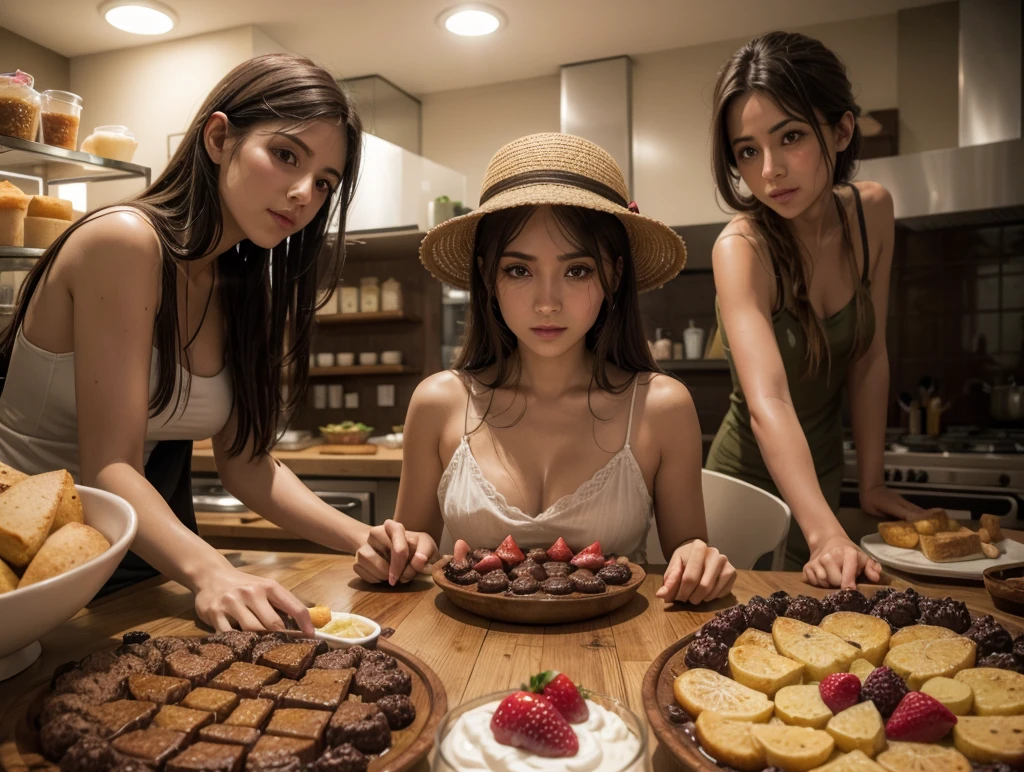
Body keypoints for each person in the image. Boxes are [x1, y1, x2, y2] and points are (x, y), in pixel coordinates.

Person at [0, 54, 436, 632]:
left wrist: (367, 539)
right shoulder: (124, 242)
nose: (305, 193)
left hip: (117, 559)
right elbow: (109, 465)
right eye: (286, 156)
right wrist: (212, 572)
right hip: (18, 564)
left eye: (324, 182)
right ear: (218, 137)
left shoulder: (238, 283)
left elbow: (247, 465)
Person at [386, 133, 736, 605]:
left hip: (616, 656)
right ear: (488, 275)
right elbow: (407, 553)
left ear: (613, 276)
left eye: (577, 271)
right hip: (464, 651)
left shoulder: (660, 406)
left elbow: (686, 557)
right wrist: (389, 552)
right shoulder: (438, 403)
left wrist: (699, 558)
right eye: (519, 270)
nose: (547, 303)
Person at [705, 31, 924, 588]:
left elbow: (870, 356)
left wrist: (869, 483)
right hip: (742, 491)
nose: (770, 170)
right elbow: (768, 401)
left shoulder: (872, 211)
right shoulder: (741, 249)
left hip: (826, 474)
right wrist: (827, 534)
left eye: (792, 136)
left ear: (842, 129)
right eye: (747, 151)